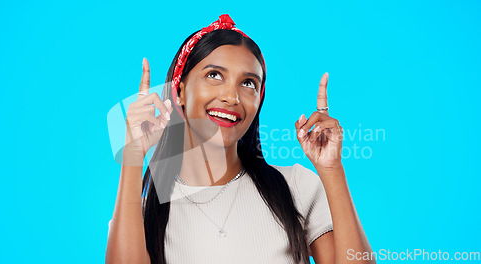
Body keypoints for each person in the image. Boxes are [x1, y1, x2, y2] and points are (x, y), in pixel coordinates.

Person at [106, 14, 375, 264]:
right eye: (214, 75)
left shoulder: (296, 186)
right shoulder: (139, 210)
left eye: (248, 83)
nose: (231, 97)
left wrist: (332, 170)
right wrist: (133, 154)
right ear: (180, 91)